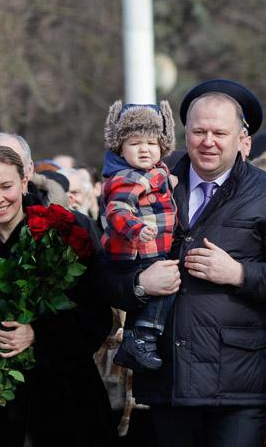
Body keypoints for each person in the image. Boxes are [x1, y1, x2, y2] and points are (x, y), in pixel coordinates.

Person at [98, 79, 266, 447]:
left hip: (240, 386)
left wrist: (240, 274)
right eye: (198, 131)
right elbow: (108, 272)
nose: (208, 141)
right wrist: (140, 285)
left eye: (219, 132)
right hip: (170, 380)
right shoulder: (145, 184)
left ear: (241, 138)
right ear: (184, 134)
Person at [0, 146, 114, 446]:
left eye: (6, 186)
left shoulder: (63, 234)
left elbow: (96, 316)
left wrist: (38, 334)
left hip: (67, 403)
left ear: (24, 182)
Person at [100, 100, 178, 371]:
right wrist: (136, 228)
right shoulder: (128, 177)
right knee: (165, 290)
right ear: (120, 147)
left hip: (151, 248)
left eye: (152, 143)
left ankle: (135, 340)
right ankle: (142, 337)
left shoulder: (154, 172)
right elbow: (117, 209)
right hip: (137, 249)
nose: (145, 149)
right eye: (135, 143)